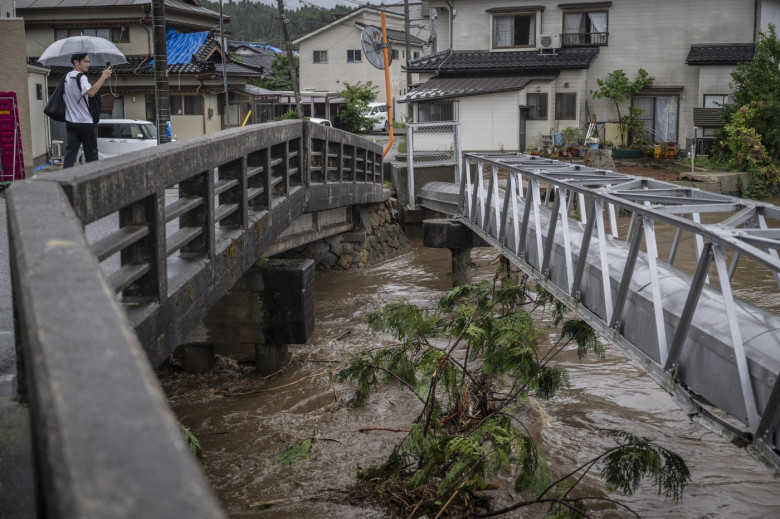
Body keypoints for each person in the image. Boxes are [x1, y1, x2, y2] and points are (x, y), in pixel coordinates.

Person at [63, 53, 112, 169]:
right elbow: (91, 92)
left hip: (70, 121)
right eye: (85, 61)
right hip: (85, 122)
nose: (88, 64)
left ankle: (64, 180)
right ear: (76, 62)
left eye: (88, 61)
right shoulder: (82, 77)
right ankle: (94, 180)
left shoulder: (67, 76)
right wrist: (103, 77)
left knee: (70, 155)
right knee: (92, 156)